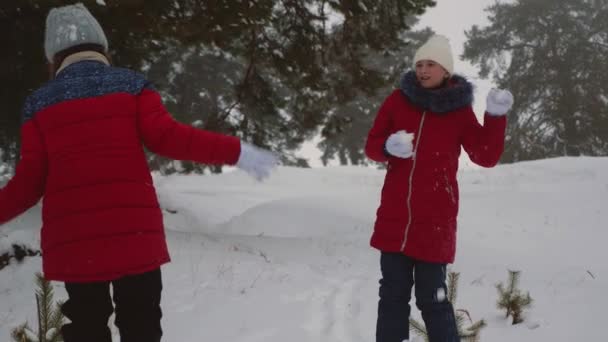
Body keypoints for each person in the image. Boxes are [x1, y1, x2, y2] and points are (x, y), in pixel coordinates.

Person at [0, 3, 277, 342]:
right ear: (102, 48)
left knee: (86, 326)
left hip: (76, 242)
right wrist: (236, 151)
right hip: (135, 236)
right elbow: (170, 138)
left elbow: (28, 183)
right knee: (141, 324)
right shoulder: (131, 85)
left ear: (52, 58)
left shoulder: (40, 103)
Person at [365, 34, 514, 342]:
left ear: (445, 70)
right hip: (395, 218)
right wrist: (388, 147)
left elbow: (485, 156)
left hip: (435, 222)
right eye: (419, 63)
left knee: (433, 300)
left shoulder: (458, 110)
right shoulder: (397, 100)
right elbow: (372, 146)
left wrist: (496, 117)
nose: (422, 69)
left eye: (430, 64)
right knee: (391, 297)